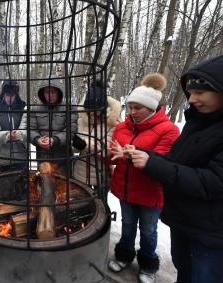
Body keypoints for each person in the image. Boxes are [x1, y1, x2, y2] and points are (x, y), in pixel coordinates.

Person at [127, 55, 223, 283]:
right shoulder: (198, 122)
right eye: (189, 93)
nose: (191, 99)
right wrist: (143, 155)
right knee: (185, 272)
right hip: (185, 220)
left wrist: (150, 163)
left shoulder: (173, 127)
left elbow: (213, 182)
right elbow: (176, 160)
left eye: (200, 92)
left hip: (211, 233)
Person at [108, 73, 180, 283]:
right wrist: (106, 154)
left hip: (150, 193)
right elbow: (114, 155)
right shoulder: (122, 126)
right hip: (125, 188)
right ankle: (124, 255)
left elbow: (163, 161)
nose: (132, 112)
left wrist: (129, 155)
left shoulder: (169, 130)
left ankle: (148, 264)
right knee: (128, 225)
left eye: (138, 108)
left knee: (148, 231)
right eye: (130, 107)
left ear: (152, 107)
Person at [73, 81, 122, 190]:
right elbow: (74, 148)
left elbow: (110, 152)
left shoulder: (113, 124)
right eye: (88, 109)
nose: (91, 113)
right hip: (81, 172)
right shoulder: (82, 120)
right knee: (82, 203)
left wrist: (85, 145)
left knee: (101, 204)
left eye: (95, 110)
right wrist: (76, 145)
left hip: (101, 174)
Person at [30, 76, 78, 174]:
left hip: (63, 158)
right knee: (45, 186)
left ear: (58, 92)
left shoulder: (69, 108)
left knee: (63, 186)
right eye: (47, 92)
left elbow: (71, 129)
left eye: (53, 92)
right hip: (43, 158)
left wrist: (54, 140)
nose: (50, 95)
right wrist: (37, 139)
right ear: (43, 93)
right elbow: (30, 129)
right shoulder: (35, 110)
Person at [0, 80, 28, 172]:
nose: (10, 98)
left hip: (21, 156)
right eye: (7, 95)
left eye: (12, 95)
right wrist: (8, 135)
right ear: (3, 95)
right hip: (4, 158)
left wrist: (19, 134)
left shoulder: (23, 109)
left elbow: (26, 128)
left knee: (23, 184)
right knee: (6, 183)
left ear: (16, 95)